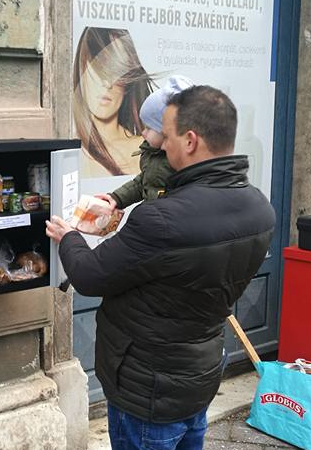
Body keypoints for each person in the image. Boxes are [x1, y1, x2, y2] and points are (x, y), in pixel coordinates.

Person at [47, 85, 275, 450]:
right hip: (199, 377)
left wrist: (68, 237)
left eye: (165, 137)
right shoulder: (260, 209)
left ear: (189, 140)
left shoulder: (161, 220)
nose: (159, 147)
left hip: (147, 389)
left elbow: (89, 275)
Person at [101, 75, 193, 212]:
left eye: (150, 128)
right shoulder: (152, 152)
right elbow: (145, 182)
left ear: (167, 131)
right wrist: (117, 198)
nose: (143, 133)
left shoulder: (180, 162)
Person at [73, 27, 156, 176]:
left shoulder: (143, 148)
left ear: (127, 83)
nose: (107, 83)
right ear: (82, 72)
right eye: (98, 68)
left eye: (117, 72)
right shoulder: (71, 152)